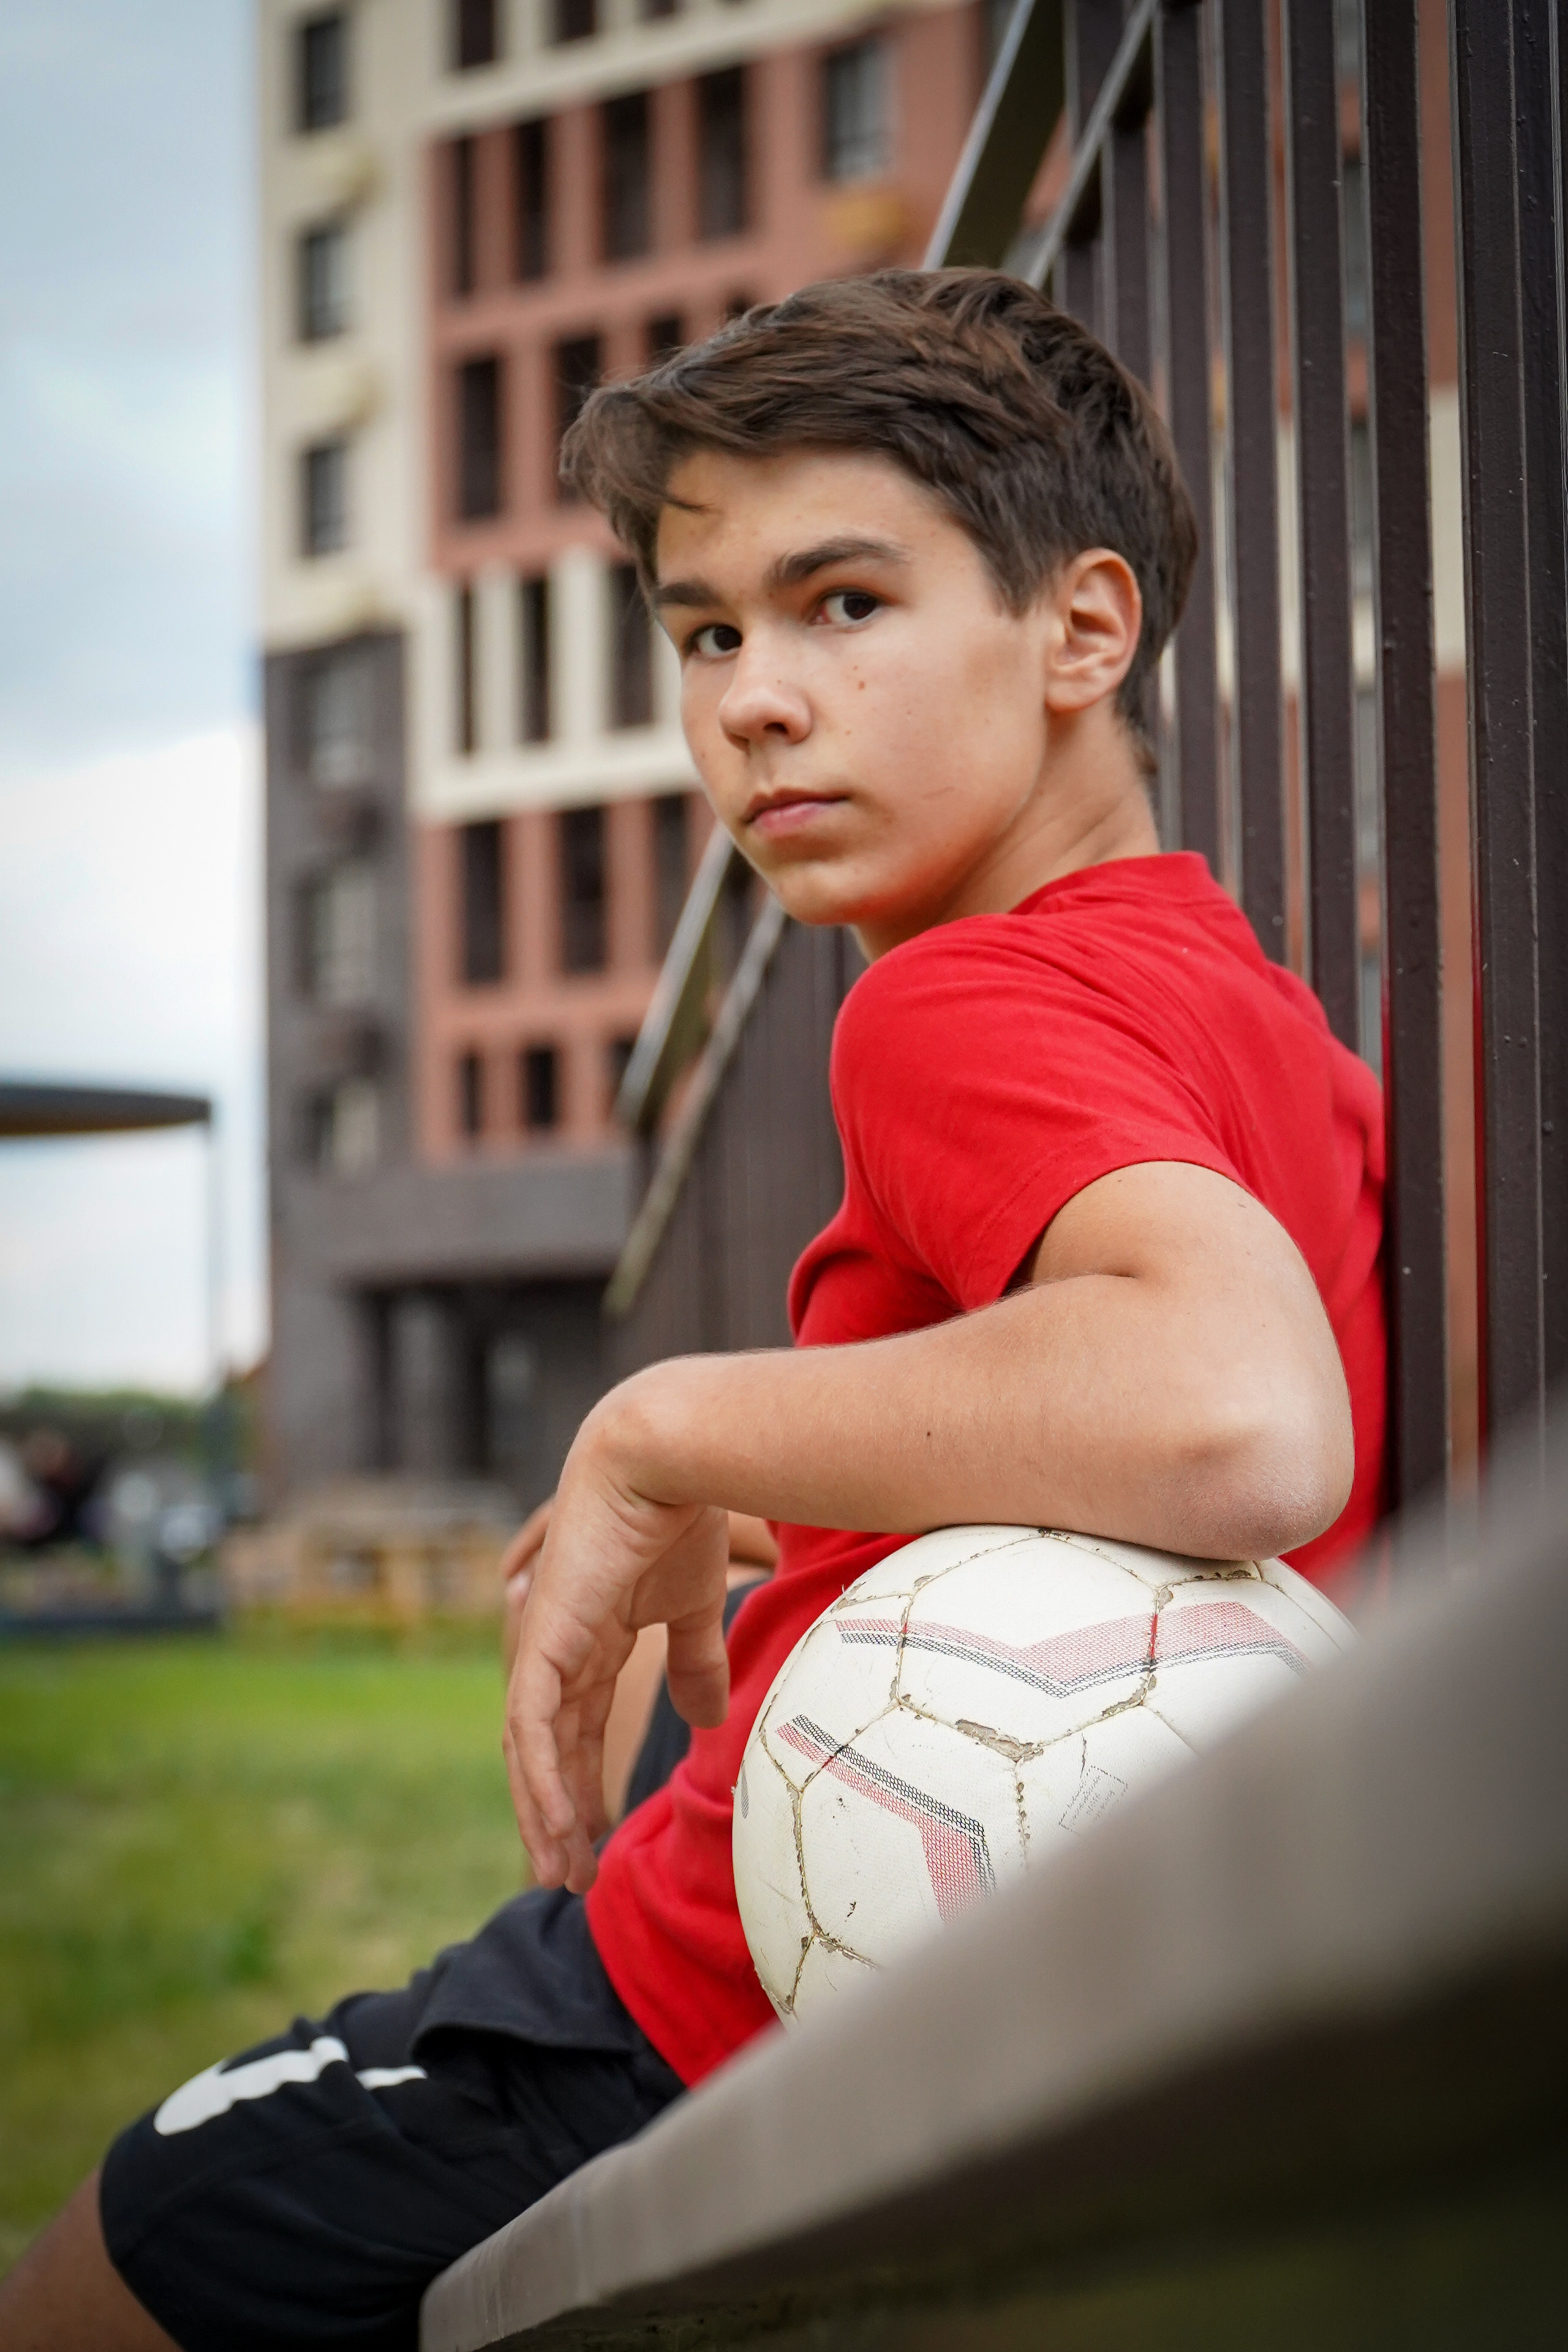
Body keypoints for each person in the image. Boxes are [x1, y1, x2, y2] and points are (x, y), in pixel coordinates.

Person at [1, 270, 1382, 2352]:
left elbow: (1239, 1412)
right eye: (707, 632)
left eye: (844, 604)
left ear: (1083, 631)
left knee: (102, 2267)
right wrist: (803, 1517)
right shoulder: (1242, 1001)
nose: (752, 700)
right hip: (1047, 1984)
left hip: (710, 2002)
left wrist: (662, 1429)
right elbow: (1139, 1472)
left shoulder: (950, 1000)